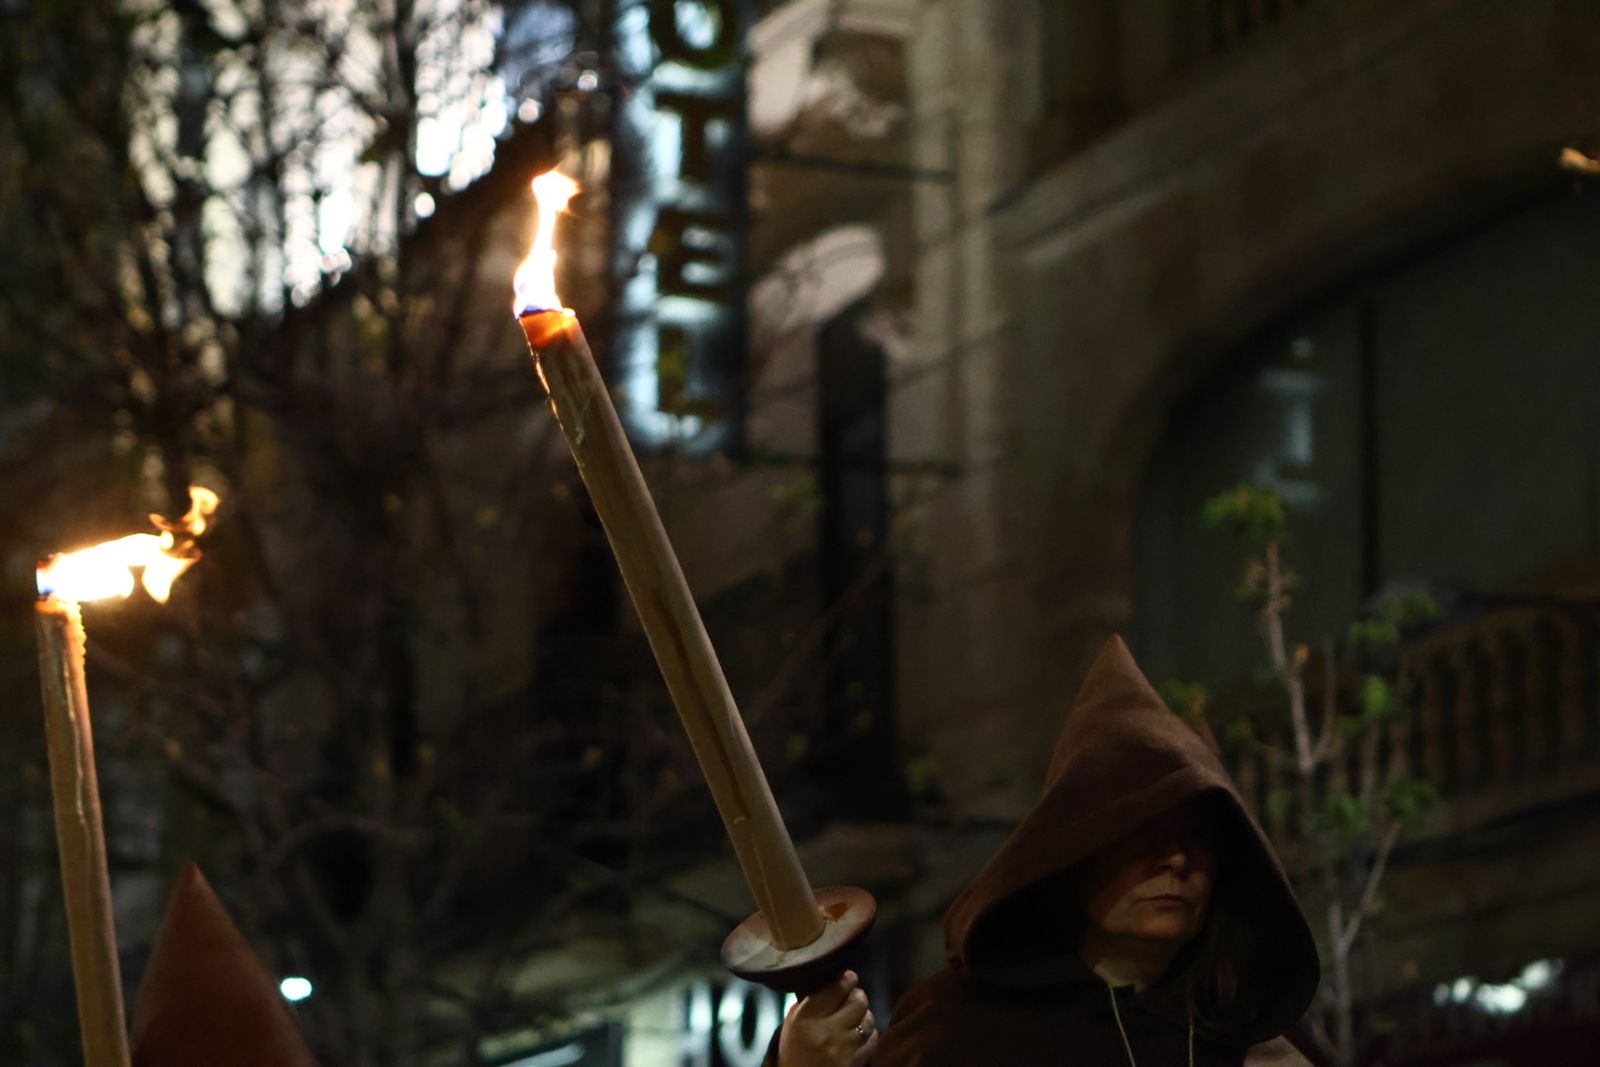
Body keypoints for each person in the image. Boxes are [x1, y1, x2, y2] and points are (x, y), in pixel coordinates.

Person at [773, 635, 1321, 1067]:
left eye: (1196, 836)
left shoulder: (1252, 1047)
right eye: (1143, 834)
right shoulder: (961, 1031)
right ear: (1079, 849)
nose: (1176, 860)